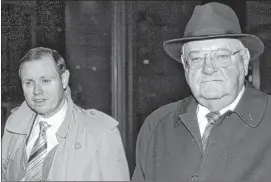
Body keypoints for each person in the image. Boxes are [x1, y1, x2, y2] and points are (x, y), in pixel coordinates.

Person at [132, 2, 271, 181]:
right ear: (185, 65)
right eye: (196, 58)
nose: (208, 69)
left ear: (244, 60)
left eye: (221, 56)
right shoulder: (157, 126)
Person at [1, 47, 130, 181]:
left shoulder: (100, 132)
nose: (36, 91)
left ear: (63, 79)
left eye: (45, 81)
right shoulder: (13, 126)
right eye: (29, 83)